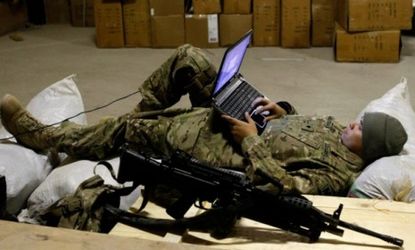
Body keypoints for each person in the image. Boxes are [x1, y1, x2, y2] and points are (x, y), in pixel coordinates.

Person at [0, 44, 408, 196]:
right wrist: (282, 110)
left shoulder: (335, 175)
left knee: (134, 130)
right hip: (249, 119)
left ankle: (50, 137)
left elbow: (285, 186)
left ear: (367, 149)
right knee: (189, 58)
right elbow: (303, 123)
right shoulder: (340, 134)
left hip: (228, 146)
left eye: (359, 129)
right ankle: (126, 127)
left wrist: (251, 139)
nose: (350, 124)